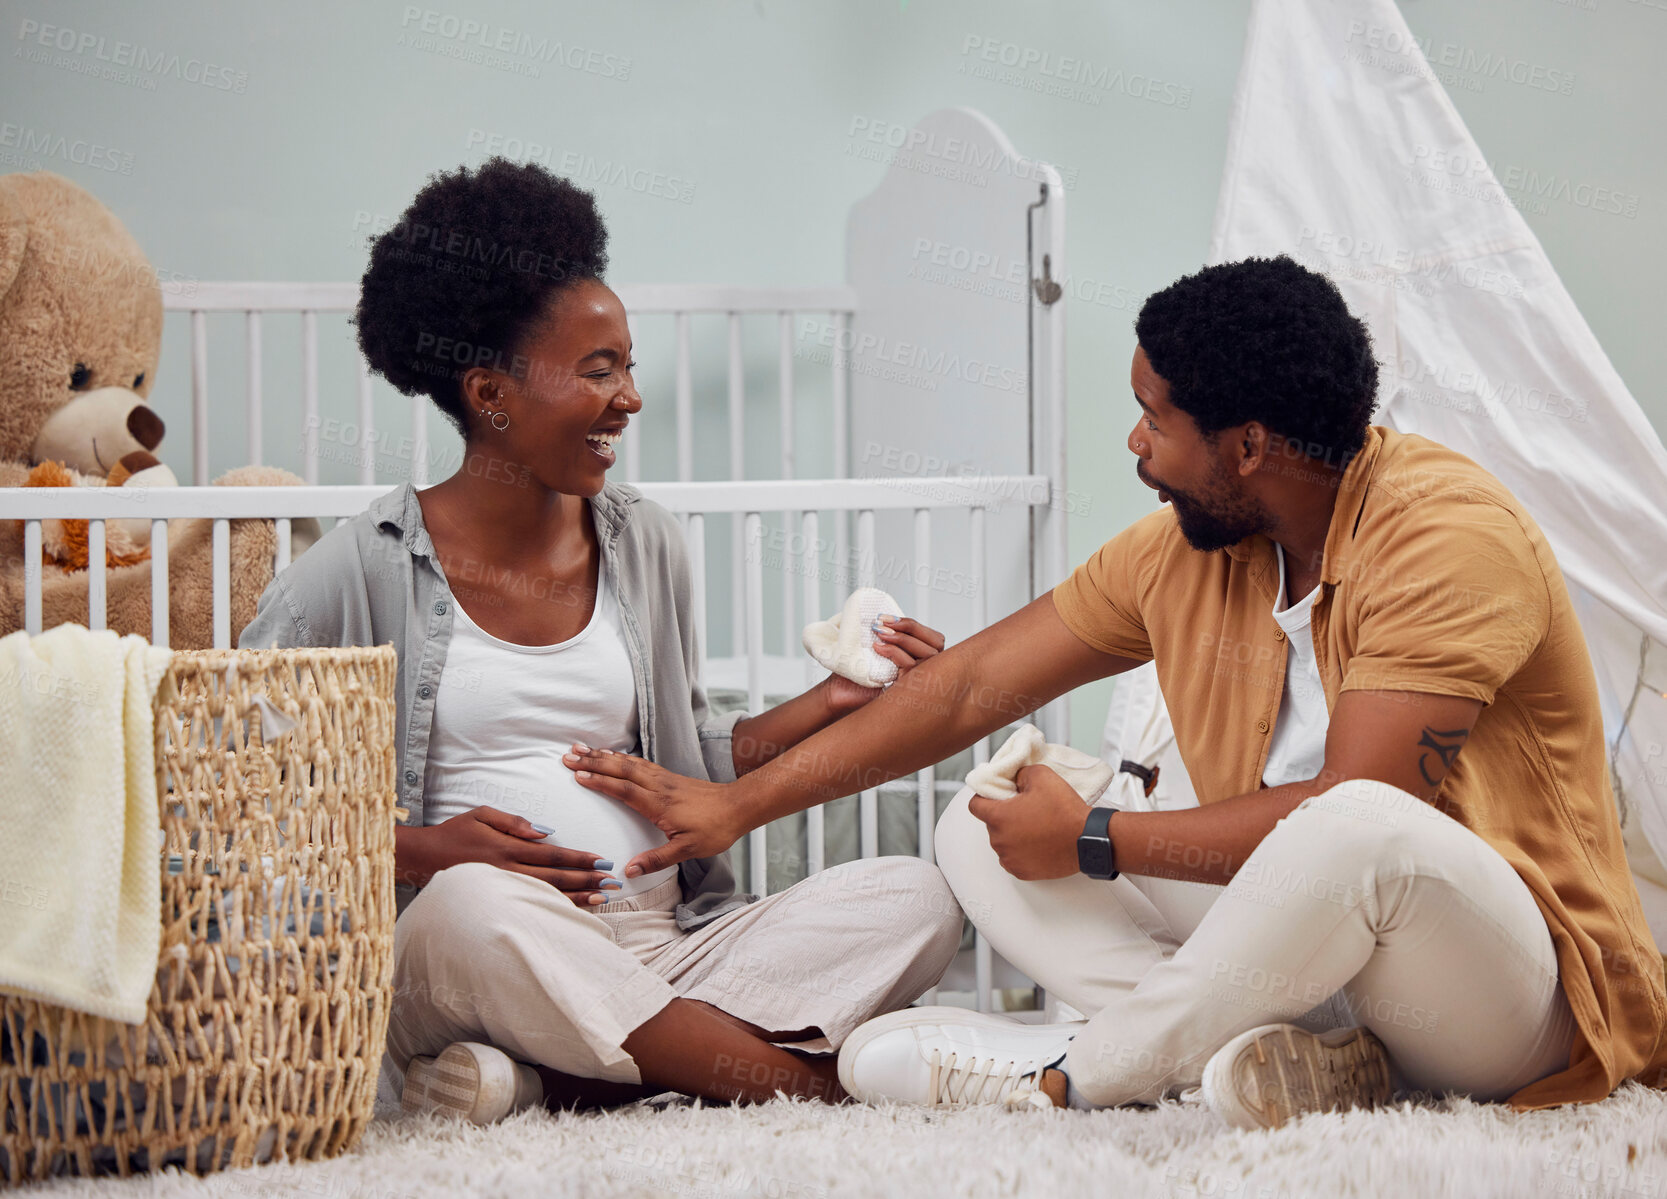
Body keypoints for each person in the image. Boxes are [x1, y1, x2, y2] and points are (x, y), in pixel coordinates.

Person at [565, 255, 1667, 1128]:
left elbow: (1354, 809)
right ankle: (1256, 1055)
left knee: (1358, 823)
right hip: (1295, 961)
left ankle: (1077, 1078)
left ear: (1246, 444)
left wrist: (1095, 838)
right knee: (981, 817)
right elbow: (966, 689)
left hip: (1504, 994)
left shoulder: (1443, 537)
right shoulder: (1186, 547)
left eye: (1155, 419)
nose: (1131, 443)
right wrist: (736, 803)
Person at [238, 159, 963, 1122]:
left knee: (917, 894)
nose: (627, 398)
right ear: (490, 391)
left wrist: (826, 705)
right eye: (598, 370)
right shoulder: (362, 565)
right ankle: (804, 1086)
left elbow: (681, 769)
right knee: (477, 907)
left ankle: (560, 1077)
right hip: (470, 943)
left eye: (626, 366)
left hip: (662, 939)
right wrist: (421, 848)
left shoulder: (644, 542)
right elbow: (231, 796)